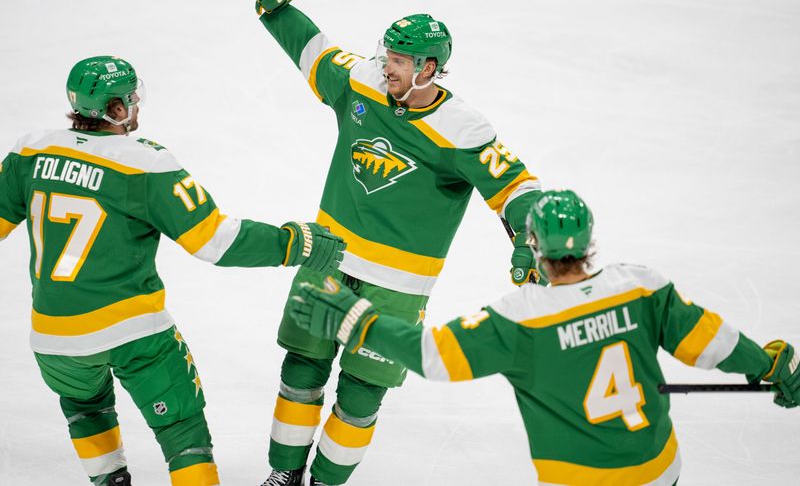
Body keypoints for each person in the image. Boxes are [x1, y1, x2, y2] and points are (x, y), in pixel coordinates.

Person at [217, 0, 545, 484]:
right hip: (327, 260)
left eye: (397, 59)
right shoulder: (362, 82)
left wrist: (532, 238)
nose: (384, 64)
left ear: (429, 69)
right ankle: (284, 476)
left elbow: (517, 187)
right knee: (300, 370)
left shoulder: (462, 128)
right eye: (385, 54)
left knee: (361, 394)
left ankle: (324, 481)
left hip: (397, 287)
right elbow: (310, 48)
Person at [288, 189, 800, 486]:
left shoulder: (520, 318)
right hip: (658, 466)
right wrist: (772, 367)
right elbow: (717, 344)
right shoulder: (643, 288)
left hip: (578, 477)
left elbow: (435, 356)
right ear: (590, 241)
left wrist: (355, 318)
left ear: (532, 245)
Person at [0, 56, 345, 486]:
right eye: (131, 99)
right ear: (117, 109)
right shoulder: (144, 164)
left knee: (85, 407)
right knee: (183, 431)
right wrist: (295, 243)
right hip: (132, 332)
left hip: (52, 338)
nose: (137, 105)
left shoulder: (30, 150)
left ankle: (110, 480)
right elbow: (214, 241)